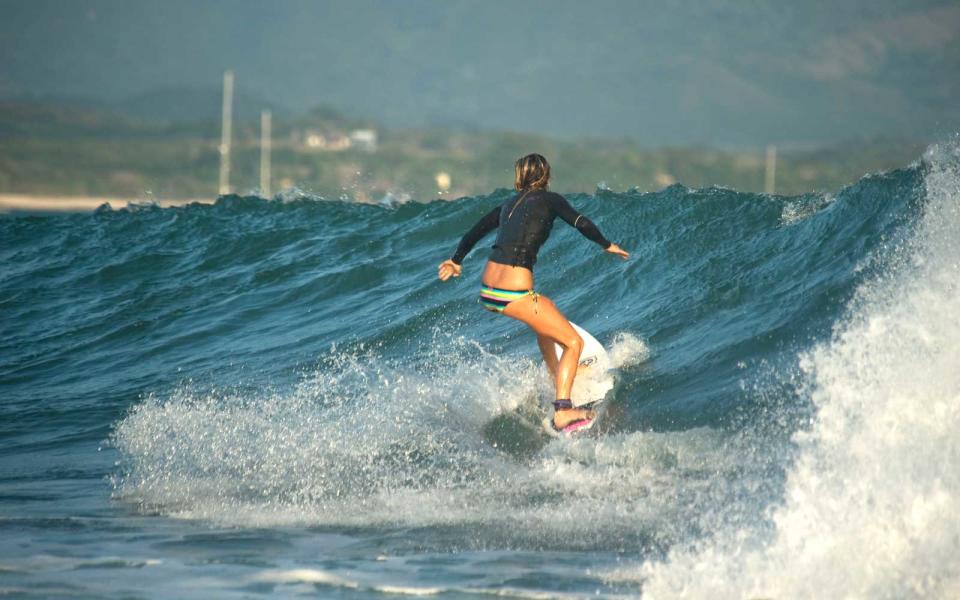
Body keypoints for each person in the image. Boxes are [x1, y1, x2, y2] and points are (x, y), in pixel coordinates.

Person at [438, 153, 629, 433]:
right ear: (546, 175)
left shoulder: (507, 205)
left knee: (545, 318)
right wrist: (606, 244)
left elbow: (475, 231)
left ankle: (558, 378)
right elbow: (580, 222)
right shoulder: (550, 200)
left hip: (490, 291)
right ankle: (563, 409)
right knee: (573, 343)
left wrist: (456, 260)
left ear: (519, 176)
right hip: (513, 292)